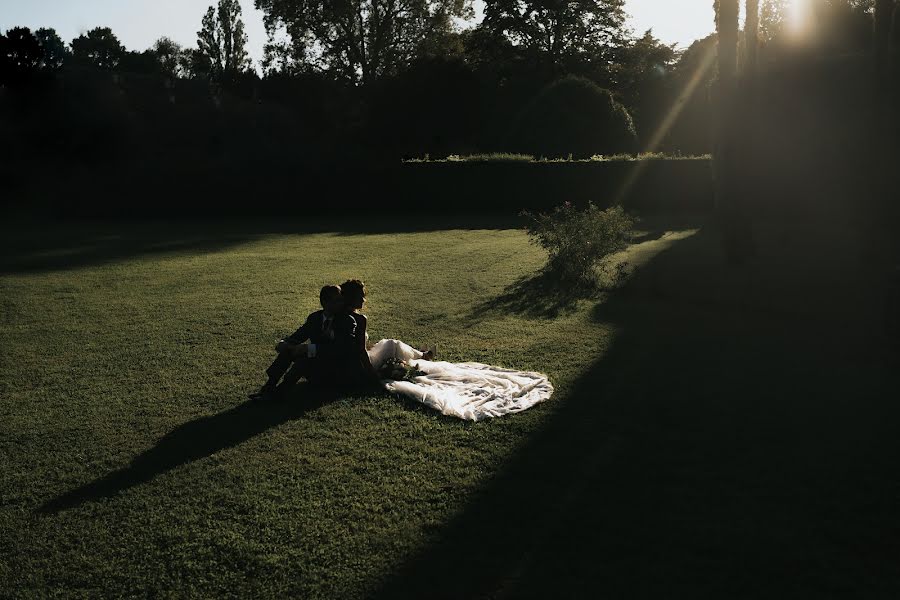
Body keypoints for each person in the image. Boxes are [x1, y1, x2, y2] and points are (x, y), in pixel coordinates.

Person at [249, 284, 357, 400]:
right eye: (337, 301)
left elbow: (342, 349)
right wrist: (284, 342)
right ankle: (268, 387)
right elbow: (298, 335)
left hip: (335, 369)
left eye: (341, 300)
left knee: (304, 358)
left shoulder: (347, 321)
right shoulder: (315, 318)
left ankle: (279, 394)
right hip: (317, 363)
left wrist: (309, 348)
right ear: (325, 303)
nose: (341, 304)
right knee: (288, 350)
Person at [338, 279, 434, 387]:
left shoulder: (339, 315)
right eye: (360, 297)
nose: (364, 300)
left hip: (349, 363)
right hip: (362, 364)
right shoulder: (360, 319)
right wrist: (371, 373)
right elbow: (361, 350)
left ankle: (420, 354)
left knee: (383, 344)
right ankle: (423, 356)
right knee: (392, 344)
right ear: (351, 298)